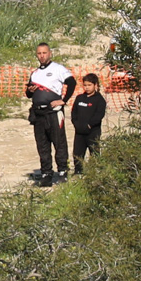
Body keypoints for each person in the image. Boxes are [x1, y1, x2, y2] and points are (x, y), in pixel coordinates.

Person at [26, 42, 74, 185]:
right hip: (38, 113)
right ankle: (46, 173)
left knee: (59, 142)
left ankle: (63, 171)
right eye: (39, 53)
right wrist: (30, 90)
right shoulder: (35, 73)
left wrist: (63, 100)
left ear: (50, 53)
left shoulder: (58, 69)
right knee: (42, 145)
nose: (42, 56)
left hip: (53, 112)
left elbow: (72, 83)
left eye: (44, 53)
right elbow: (28, 94)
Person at [70, 72, 108, 175]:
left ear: (95, 85)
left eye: (89, 85)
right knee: (77, 153)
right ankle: (78, 172)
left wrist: (89, 125)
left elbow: (99, 115)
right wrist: (76, 123)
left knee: (94, 153)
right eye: (85, 85)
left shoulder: (99, 100)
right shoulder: (79, 98)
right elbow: (74, 112)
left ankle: (95, 172)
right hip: (79, 131)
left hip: (93, 132)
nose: (87, 87)